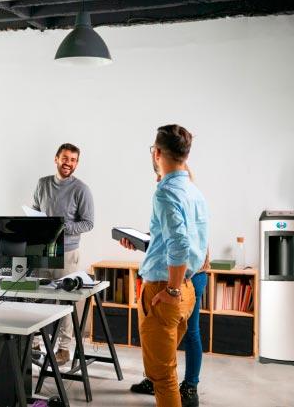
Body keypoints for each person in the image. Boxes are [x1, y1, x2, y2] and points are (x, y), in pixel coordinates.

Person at [121, 124, 208, 407]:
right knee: (166, 368)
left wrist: (170, 290)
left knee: (163, 376)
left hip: (165, 289)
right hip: (188, 289)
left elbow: (180, 245)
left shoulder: (165, 193)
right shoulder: (194, 192)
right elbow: (189, 243)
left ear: (157, 153)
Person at [32, 143, 94, 365]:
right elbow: (36, 209)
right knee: (37, 298)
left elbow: (88, 223)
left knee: (64, 301)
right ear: (56, 158)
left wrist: (61, 227)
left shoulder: (81, 189)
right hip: (42, 250)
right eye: (65, 158)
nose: (68, 163)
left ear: (76, 163)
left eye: (73, 160)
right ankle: (36, 343)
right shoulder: (43, 184)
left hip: (67, 253)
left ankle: (64, 349)